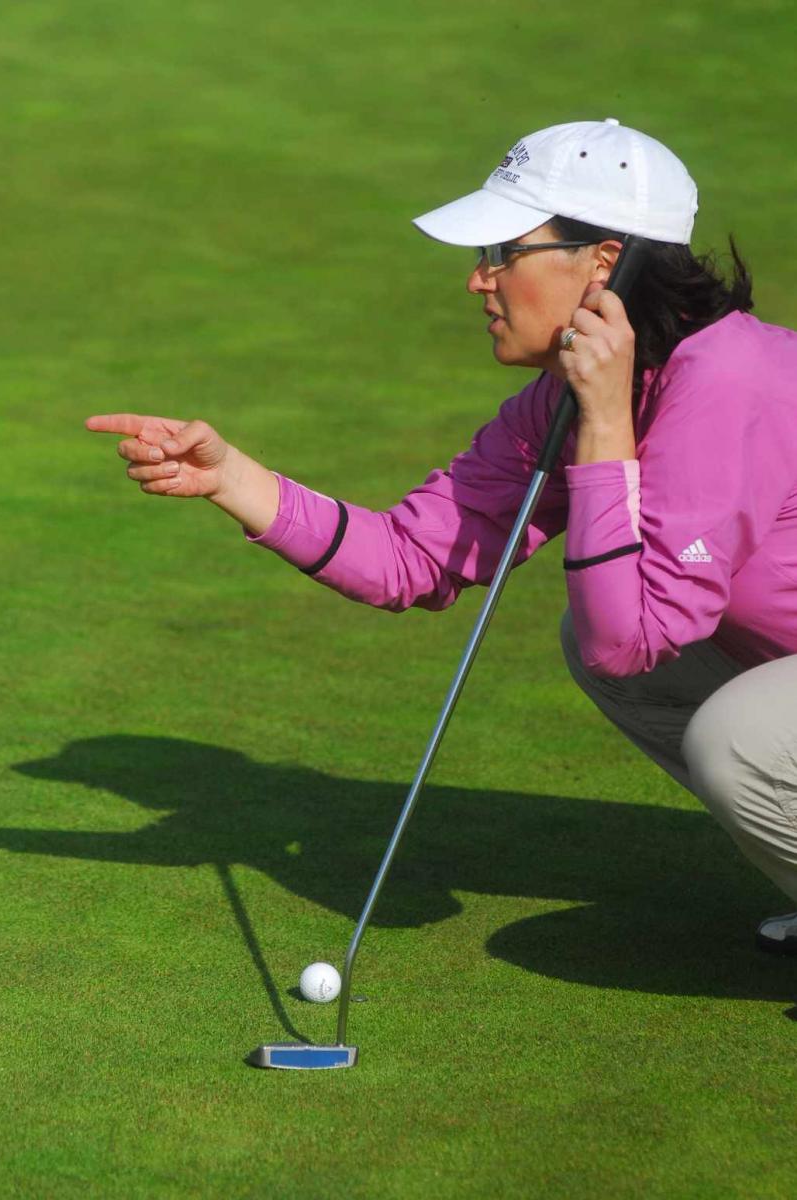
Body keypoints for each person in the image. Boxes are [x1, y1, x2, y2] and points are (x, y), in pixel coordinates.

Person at [87, 118, 797, 956]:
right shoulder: (575, 395)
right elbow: (410, 560)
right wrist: (232, 479)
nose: (478, 279)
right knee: (624, 653)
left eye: (504, 252)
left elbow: (627, 640)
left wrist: (605, 430)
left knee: (734, 734)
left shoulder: (725, 382)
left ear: (604, 262)